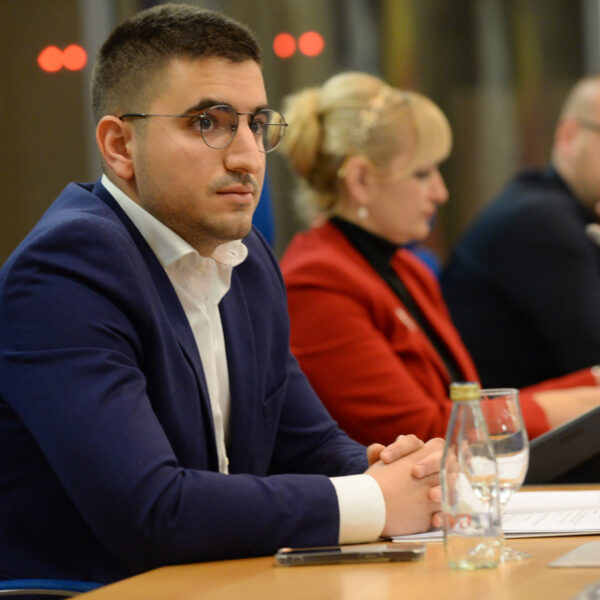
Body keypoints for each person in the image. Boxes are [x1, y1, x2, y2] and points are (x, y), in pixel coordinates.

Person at [0, 5, 444, 585]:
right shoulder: (67, 269)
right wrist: (375, 501)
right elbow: (151, 512)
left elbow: (306, 445)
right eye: (208, 123)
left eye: (256, 124)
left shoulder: (245, 255)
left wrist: (397, 471)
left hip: (223, 581)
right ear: (119, 146)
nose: (247, 156)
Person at [279, 72, 600, 448]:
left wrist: (591, 383)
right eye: (422, 173)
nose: (440, 192)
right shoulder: (315, 282)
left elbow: (466, 402)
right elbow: (424, 430)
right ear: (361, 181)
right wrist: (576, 404)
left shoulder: (407, 268)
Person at [441, 76, 600, 389]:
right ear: (568, 135)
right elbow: (594, 357)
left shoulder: (555, 208)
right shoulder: (541, 221)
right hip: (503, 417)